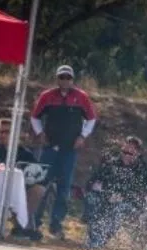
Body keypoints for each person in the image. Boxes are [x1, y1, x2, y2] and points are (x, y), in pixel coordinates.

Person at [30, 65, 98, 240]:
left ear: (72, 79)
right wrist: (40, 133)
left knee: (64, 188)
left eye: (68, 77)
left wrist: (83, 136)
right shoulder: (47, 96)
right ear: (57, 78)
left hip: (69, 150)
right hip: (49, 148)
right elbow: (35, 116)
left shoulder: (81, 97)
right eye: (62, 77)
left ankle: (56, 225)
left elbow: (91, 119)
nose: (65, 80)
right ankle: (34, 223)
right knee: (42, 185)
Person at [83, 136, 147, 250]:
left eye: (130, 153)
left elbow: (143, 192)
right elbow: (93, 181)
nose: (126, 155)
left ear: (138, 153)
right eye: (124, 152)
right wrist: (97, 188)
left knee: (118, 209)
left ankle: (98, 242)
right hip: (109, 198)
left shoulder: (143, 171)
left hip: (133, 205)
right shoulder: (112, 164)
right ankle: (93, 237)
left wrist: (123, 196)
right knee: (92, 199)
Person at [0, 118, 44, 241]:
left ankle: (21, 226)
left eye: (7, 131)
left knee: (38, 189)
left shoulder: (26, 154)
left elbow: (37, 174)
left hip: (19, 192)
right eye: (1, 132)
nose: (3, 135)